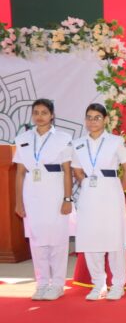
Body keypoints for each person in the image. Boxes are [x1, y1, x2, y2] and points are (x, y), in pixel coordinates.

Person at [70, 104, 126, 301]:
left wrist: (119, 189)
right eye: (89, 117)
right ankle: (98, 284)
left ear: (105, 119)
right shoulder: (78, 143)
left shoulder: (116, 141)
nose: (92, 121)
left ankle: (118, 284)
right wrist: (86, 182)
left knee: (114, 239)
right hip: (88, 195)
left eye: (97, 117)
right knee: (91, 238)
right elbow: (77, 170)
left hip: (111, 192)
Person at [13, 99, 74, 301]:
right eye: (36, 112)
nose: (39, 116)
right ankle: (41, 283)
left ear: (52, 115)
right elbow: (20, 173)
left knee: (57, 240)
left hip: (55, 192)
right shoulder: (22, 139)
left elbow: (67, 172)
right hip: (32, 194)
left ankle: (57, 284)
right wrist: (19, 202)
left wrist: (67, 198)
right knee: (37, 240)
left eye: (44, 112)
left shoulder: (63, 138)